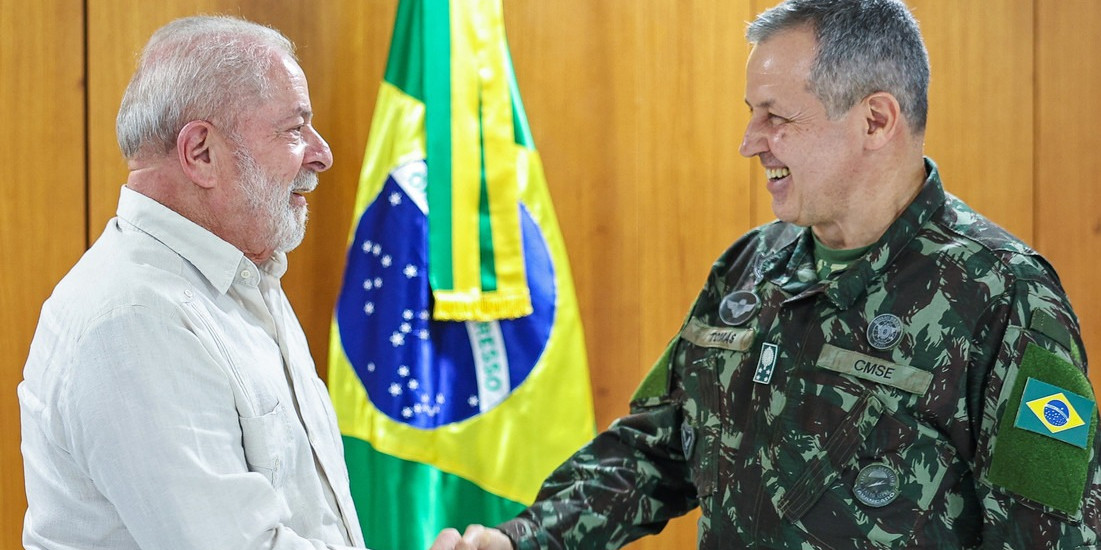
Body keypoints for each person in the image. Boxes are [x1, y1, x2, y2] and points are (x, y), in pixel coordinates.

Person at [429, 0, 1101, 548]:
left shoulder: (1004, 293)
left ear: (874, 120)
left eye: (775, 117)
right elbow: (662, 444)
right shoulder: (750, 265)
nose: (749, 141)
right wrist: (526, 538)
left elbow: (1051, 535)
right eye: (752, 113)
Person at [18, 15, 365, 549]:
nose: (322, 153)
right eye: (295, 130)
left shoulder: (242, 276)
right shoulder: (134, 320)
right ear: (201, 152)